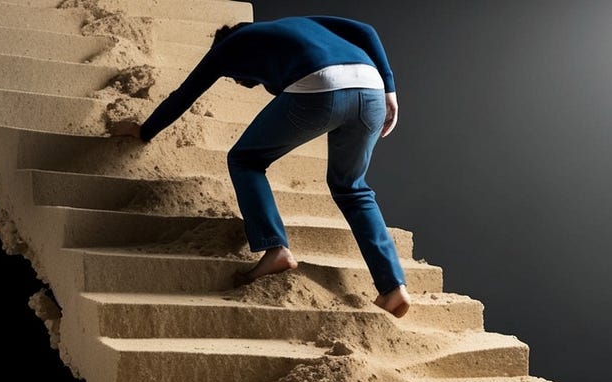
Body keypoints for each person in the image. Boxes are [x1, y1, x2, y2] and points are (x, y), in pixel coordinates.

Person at [111, 16, 411, 317]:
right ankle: (393, 288)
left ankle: (275, 248)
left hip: (323, 84)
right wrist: (390, 88)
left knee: (245, 159)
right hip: (372, 86)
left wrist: (144, 131)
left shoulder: (227, 47)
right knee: (351, 188)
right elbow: (366, 30)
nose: (239, 82)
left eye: (233, 77)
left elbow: (184, 95)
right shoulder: (296, 26)